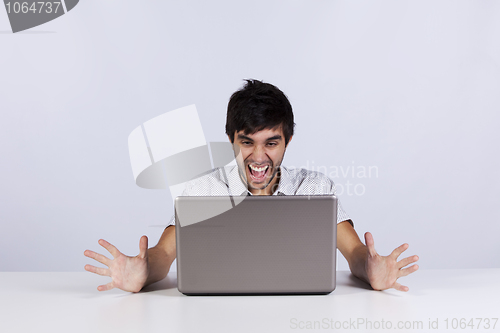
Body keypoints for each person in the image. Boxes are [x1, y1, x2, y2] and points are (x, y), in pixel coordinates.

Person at [84, 80, 419, 293]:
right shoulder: (202, 190)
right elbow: (164, 254)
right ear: (231, 139)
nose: (258, 157)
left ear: (288, 140)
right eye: (247, 142)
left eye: (271, 143)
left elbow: (354, 253)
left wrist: (371, 269)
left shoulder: (314, 187)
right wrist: (142, 271)